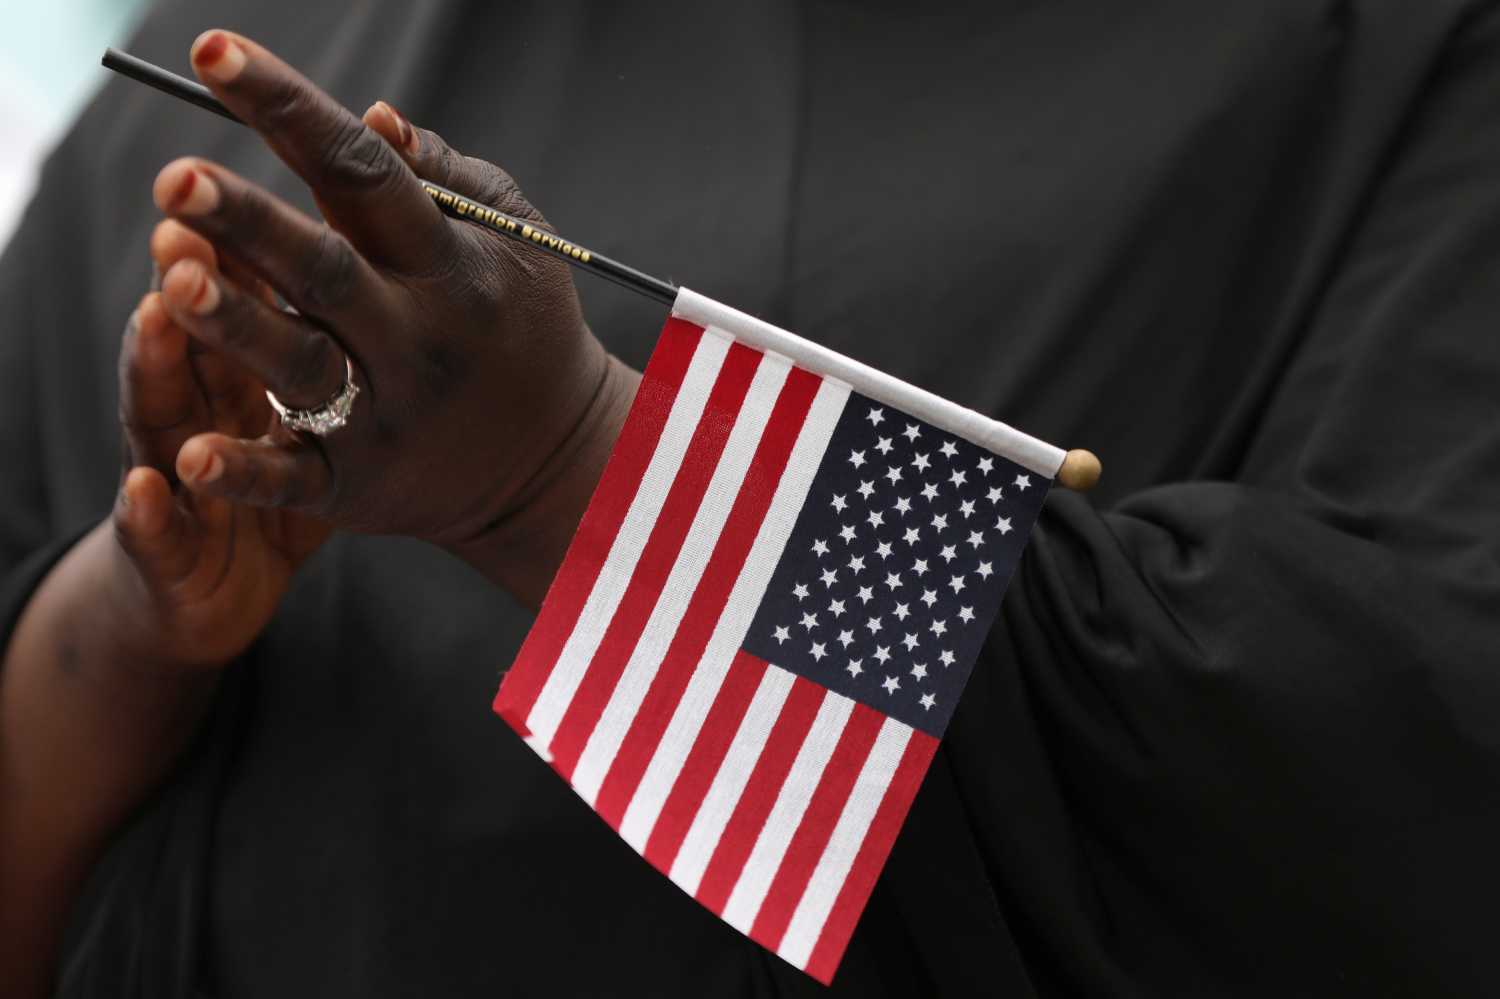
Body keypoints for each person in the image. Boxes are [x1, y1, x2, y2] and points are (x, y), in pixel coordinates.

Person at [2, 2, 1498, 996]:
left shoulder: (1389, 55)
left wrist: (583, 477)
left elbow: (1390, 744)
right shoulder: (190, 103)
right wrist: (138, 619)